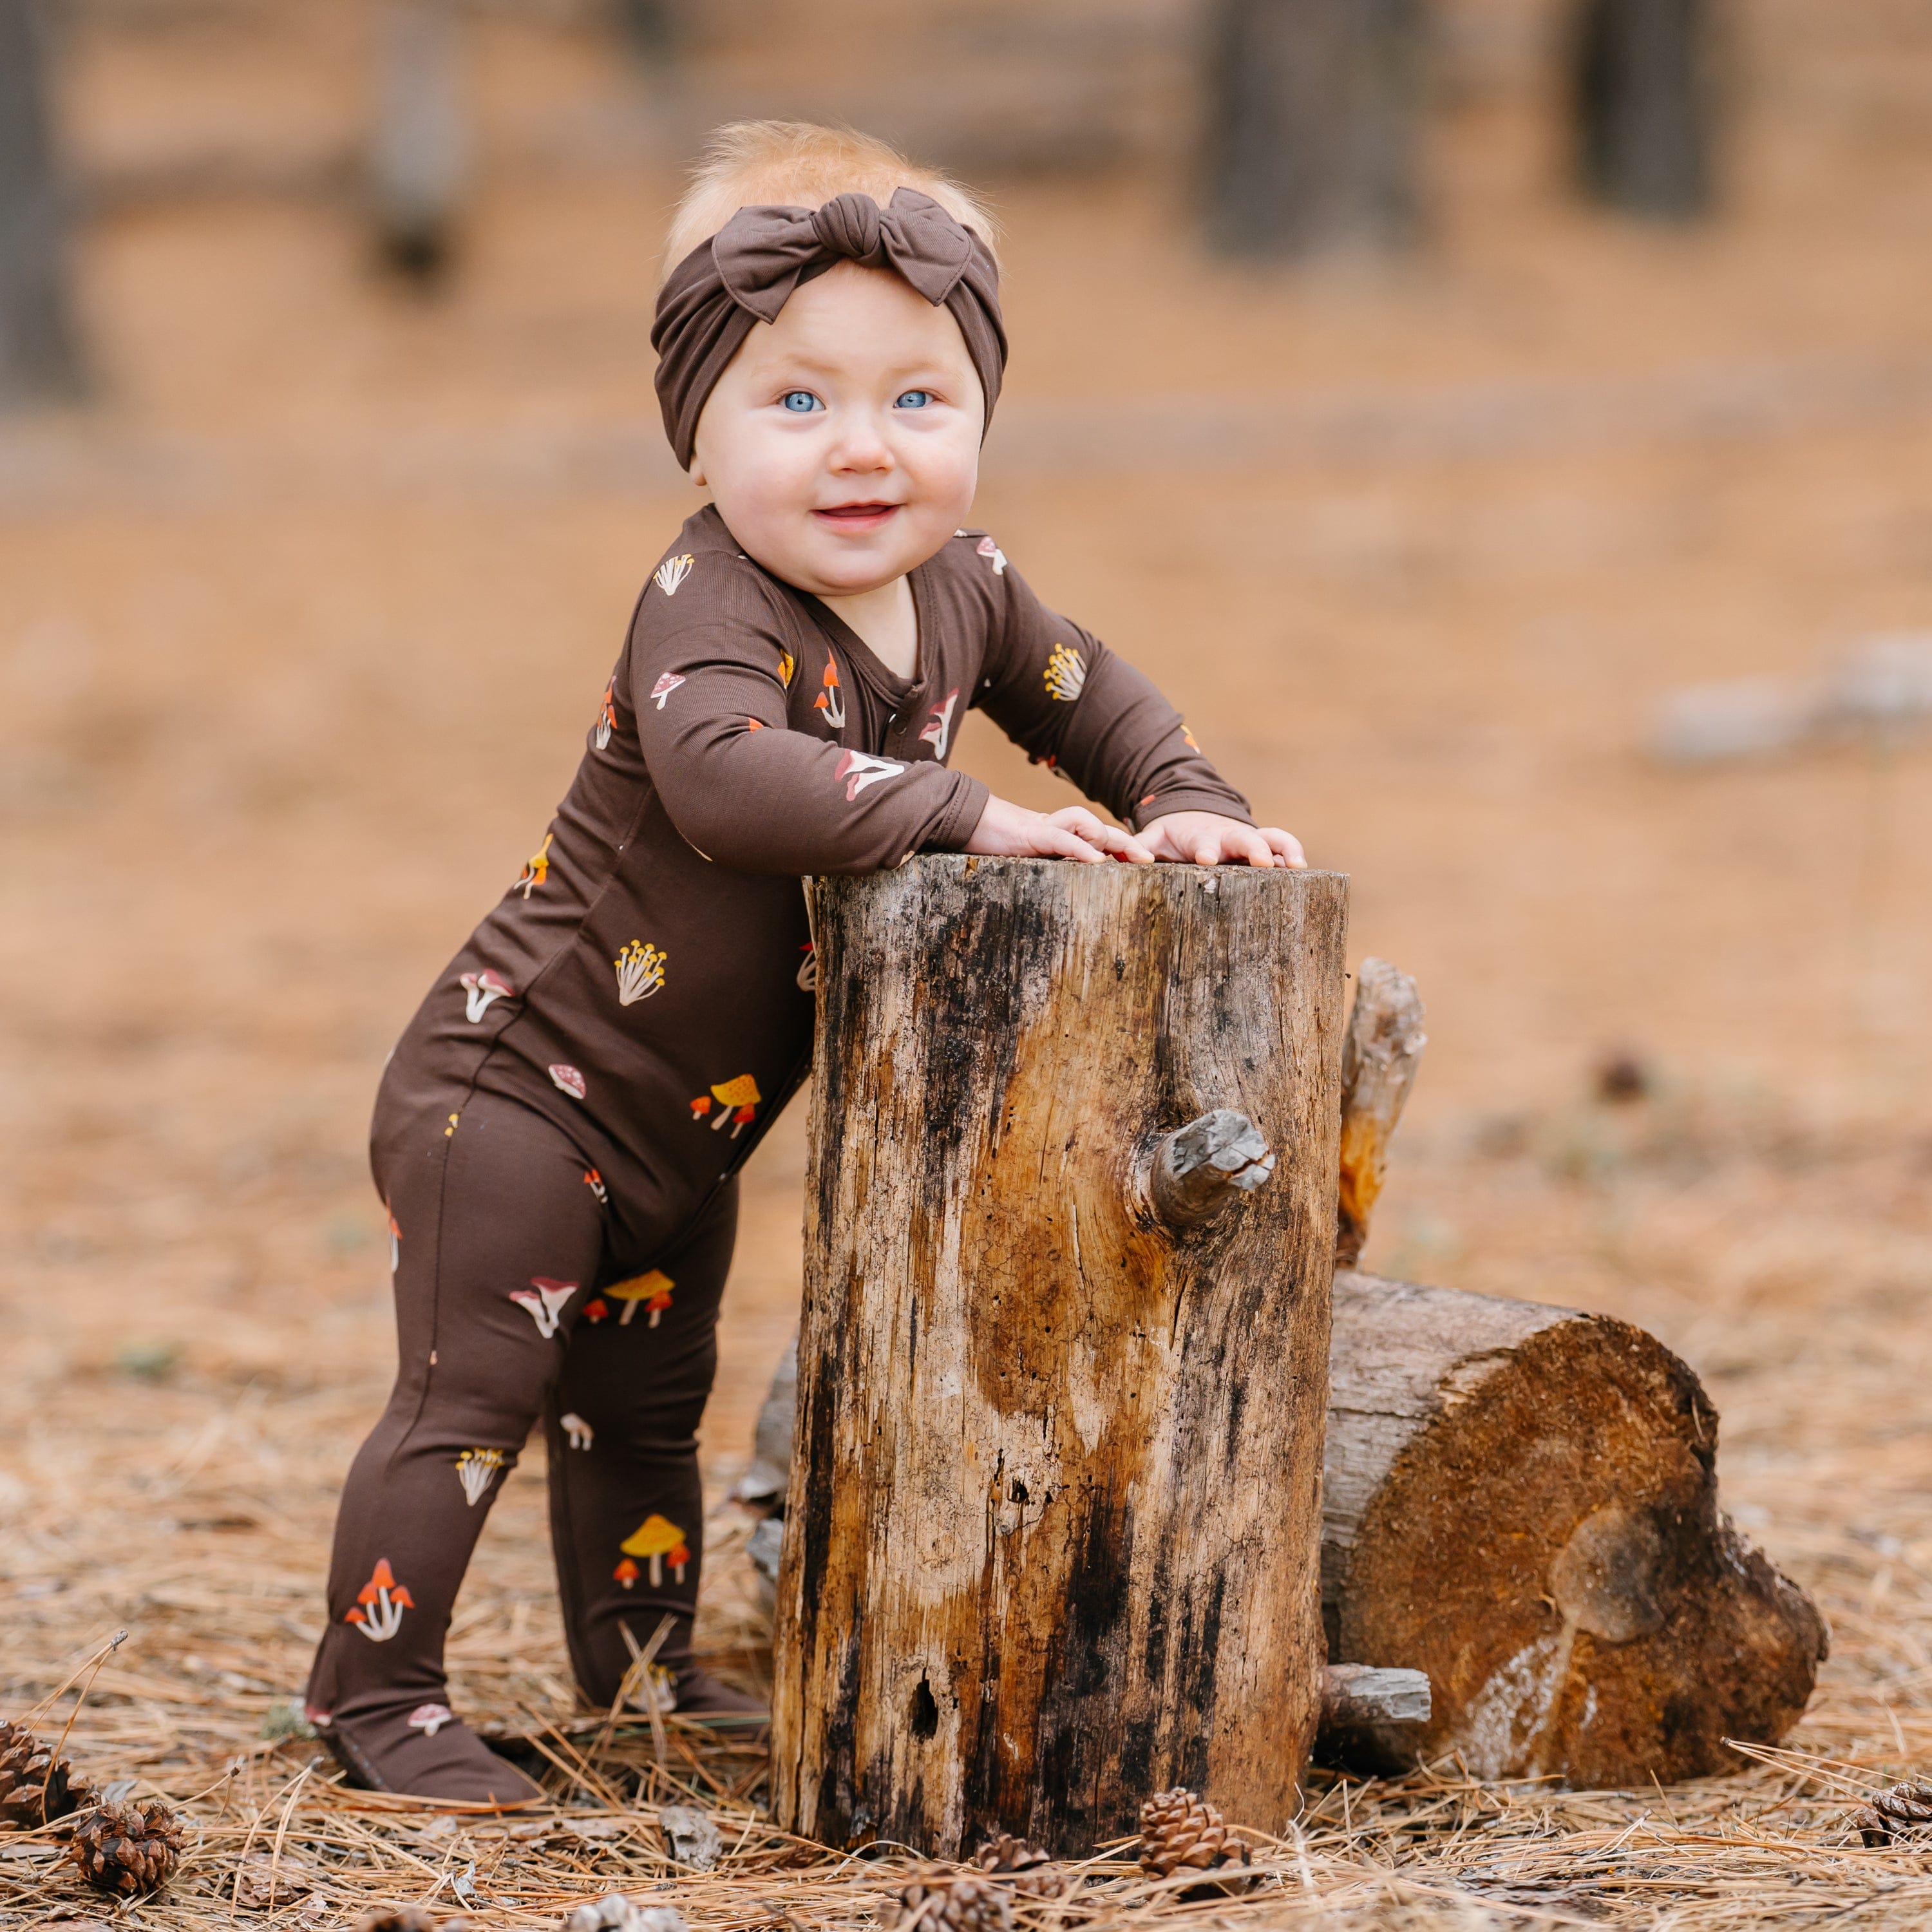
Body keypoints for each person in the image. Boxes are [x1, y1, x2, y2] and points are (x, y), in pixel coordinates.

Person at [305, 119, 1306, 1803]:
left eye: (919, 399)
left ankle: (639, 1677)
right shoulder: (708, 600)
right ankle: (376, 1699)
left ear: (982, 413)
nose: (864, 450)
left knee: (640, 1407)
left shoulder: (970, 589)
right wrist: (966, 817)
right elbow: (725, 776)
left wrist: (1194, 802)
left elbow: (1104, 705)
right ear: (696, 436)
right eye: (798, 401)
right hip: (520, 1093)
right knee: (473, 1391)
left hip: (679, 1134)